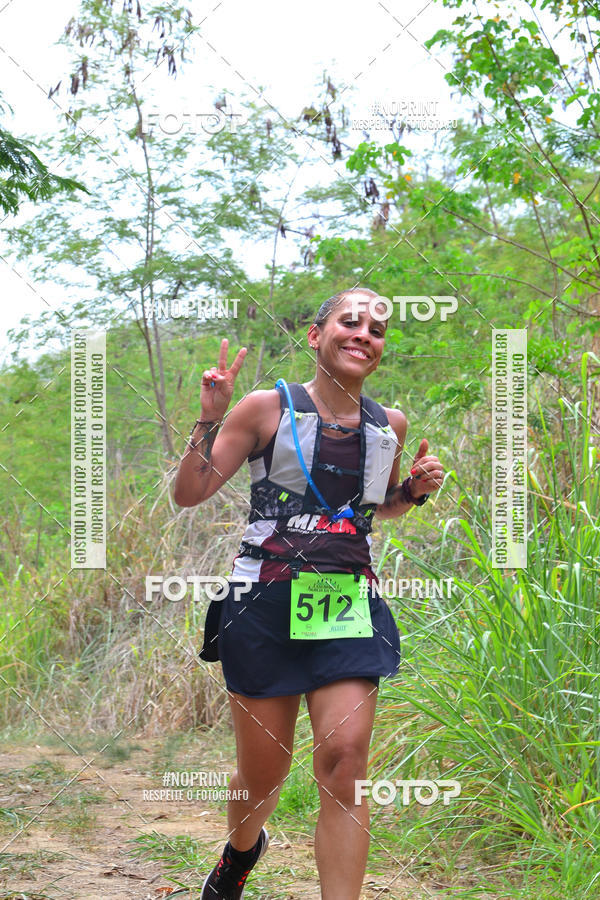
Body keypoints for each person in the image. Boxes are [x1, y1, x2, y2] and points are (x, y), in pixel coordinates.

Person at [173, 287, 444, 900]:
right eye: (350, 322)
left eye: (376, 330)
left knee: (345, 762)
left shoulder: (388, 424)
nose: (364, 335)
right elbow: (189, 493)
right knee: (262, 779)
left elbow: (372, 509)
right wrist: (210, 417)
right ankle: (241, 852)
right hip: (262, 603)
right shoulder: (266, 409)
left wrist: (412, 492)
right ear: (316, 336)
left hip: (344, 602)